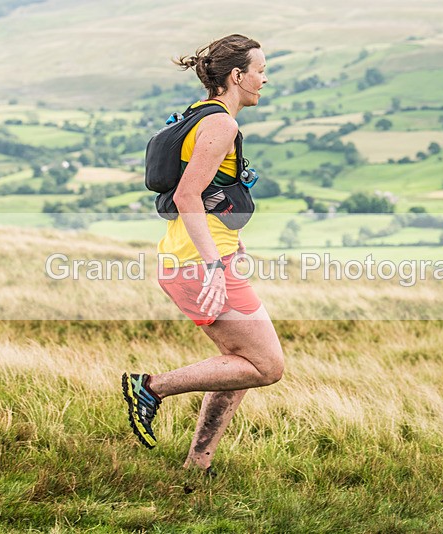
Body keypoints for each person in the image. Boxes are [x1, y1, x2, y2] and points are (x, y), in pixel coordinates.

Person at [121, 34, 284, 475]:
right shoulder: (221, 124)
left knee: (240, 362)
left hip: (199, 256)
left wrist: (230, 243)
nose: (264, 79)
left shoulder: (198, 114)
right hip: (198, 264)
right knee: (267, 366)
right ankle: (150, 387)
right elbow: (189, 196)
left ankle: (199, 462)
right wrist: (214, 264)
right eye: (260, 70)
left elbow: (208, 194)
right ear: (236, 76)